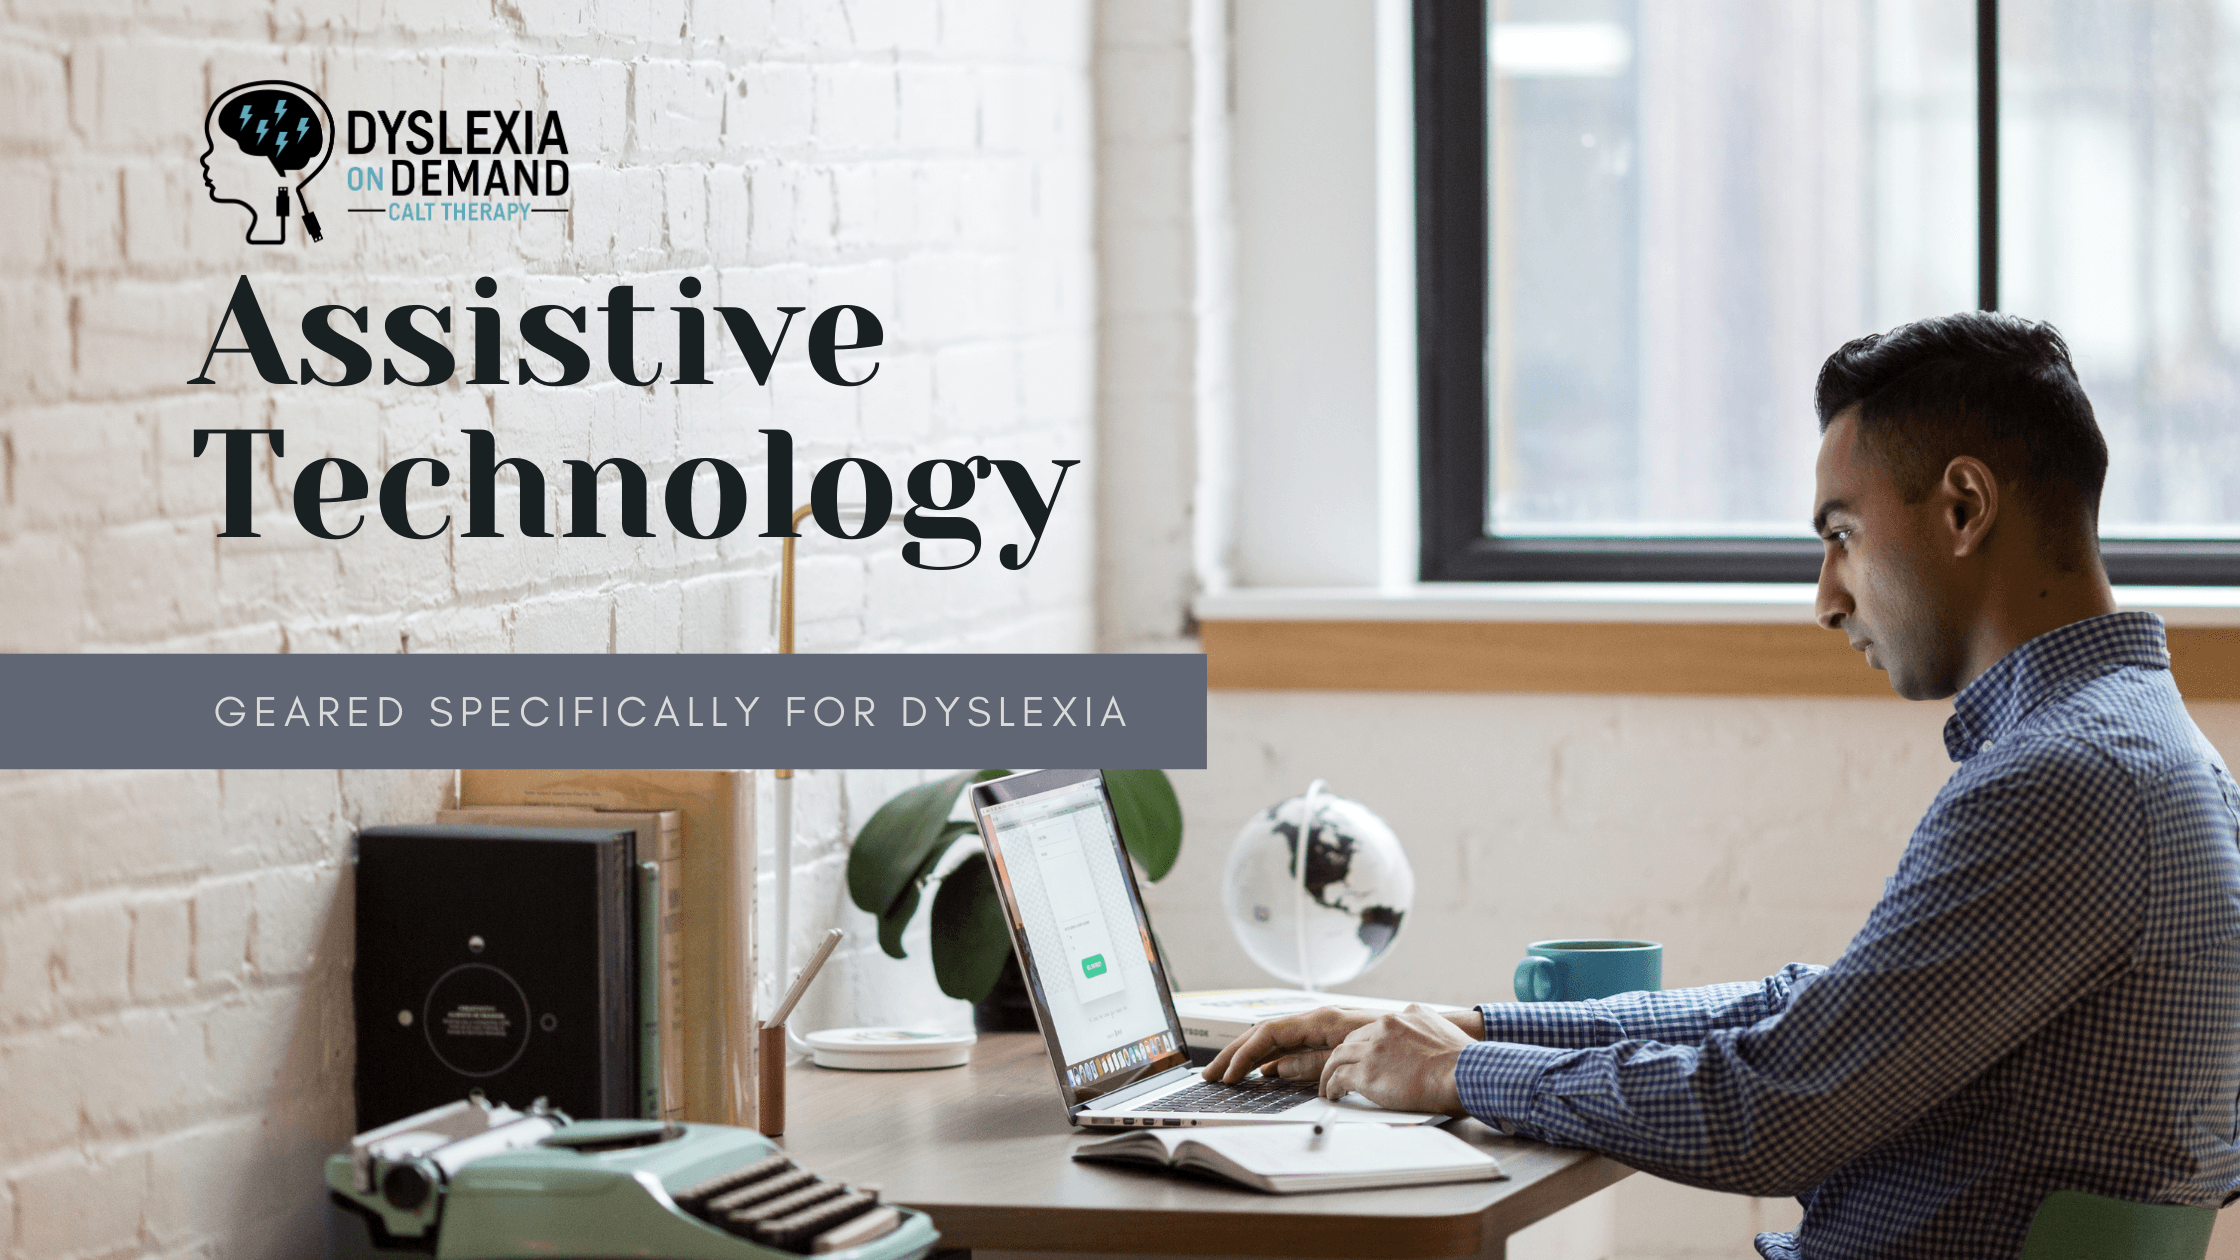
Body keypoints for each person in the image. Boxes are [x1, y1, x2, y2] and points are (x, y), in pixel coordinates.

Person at [1204, 311, 2240, 1258]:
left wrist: (1454, 1076)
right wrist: (1472, 1026)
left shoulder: (2062, 783)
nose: (1826, 598)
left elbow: (1771, 1115)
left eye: (1839, 535)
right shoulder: (2149, 756)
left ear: (1962, 505)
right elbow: (1815, 1017)